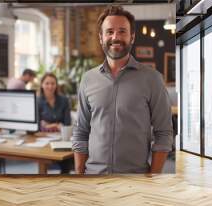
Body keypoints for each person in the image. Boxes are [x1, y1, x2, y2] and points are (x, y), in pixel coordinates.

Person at [72, 6, 173, 174]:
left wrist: (153, 180)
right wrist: (79, 175)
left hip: (135, 180)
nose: (115, 37)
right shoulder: (88, 79)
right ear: (101, 37)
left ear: (132, 37)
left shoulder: (153, 79)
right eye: (109, 31)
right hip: (93, 178)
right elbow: (81, 131)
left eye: (122, 31)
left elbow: (163, 133)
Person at [38, 72, 72, 173]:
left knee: (66, 162)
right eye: (47, 83)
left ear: (56, 85)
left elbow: (67, 124)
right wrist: (55, 125)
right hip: (42, 140)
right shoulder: (37, 101)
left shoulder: (64, 100)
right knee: (43, 160)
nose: (50, 86)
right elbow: (36, 126)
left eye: (53, 83)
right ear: (42, 85)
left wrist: (47, 125)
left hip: (61, 139)